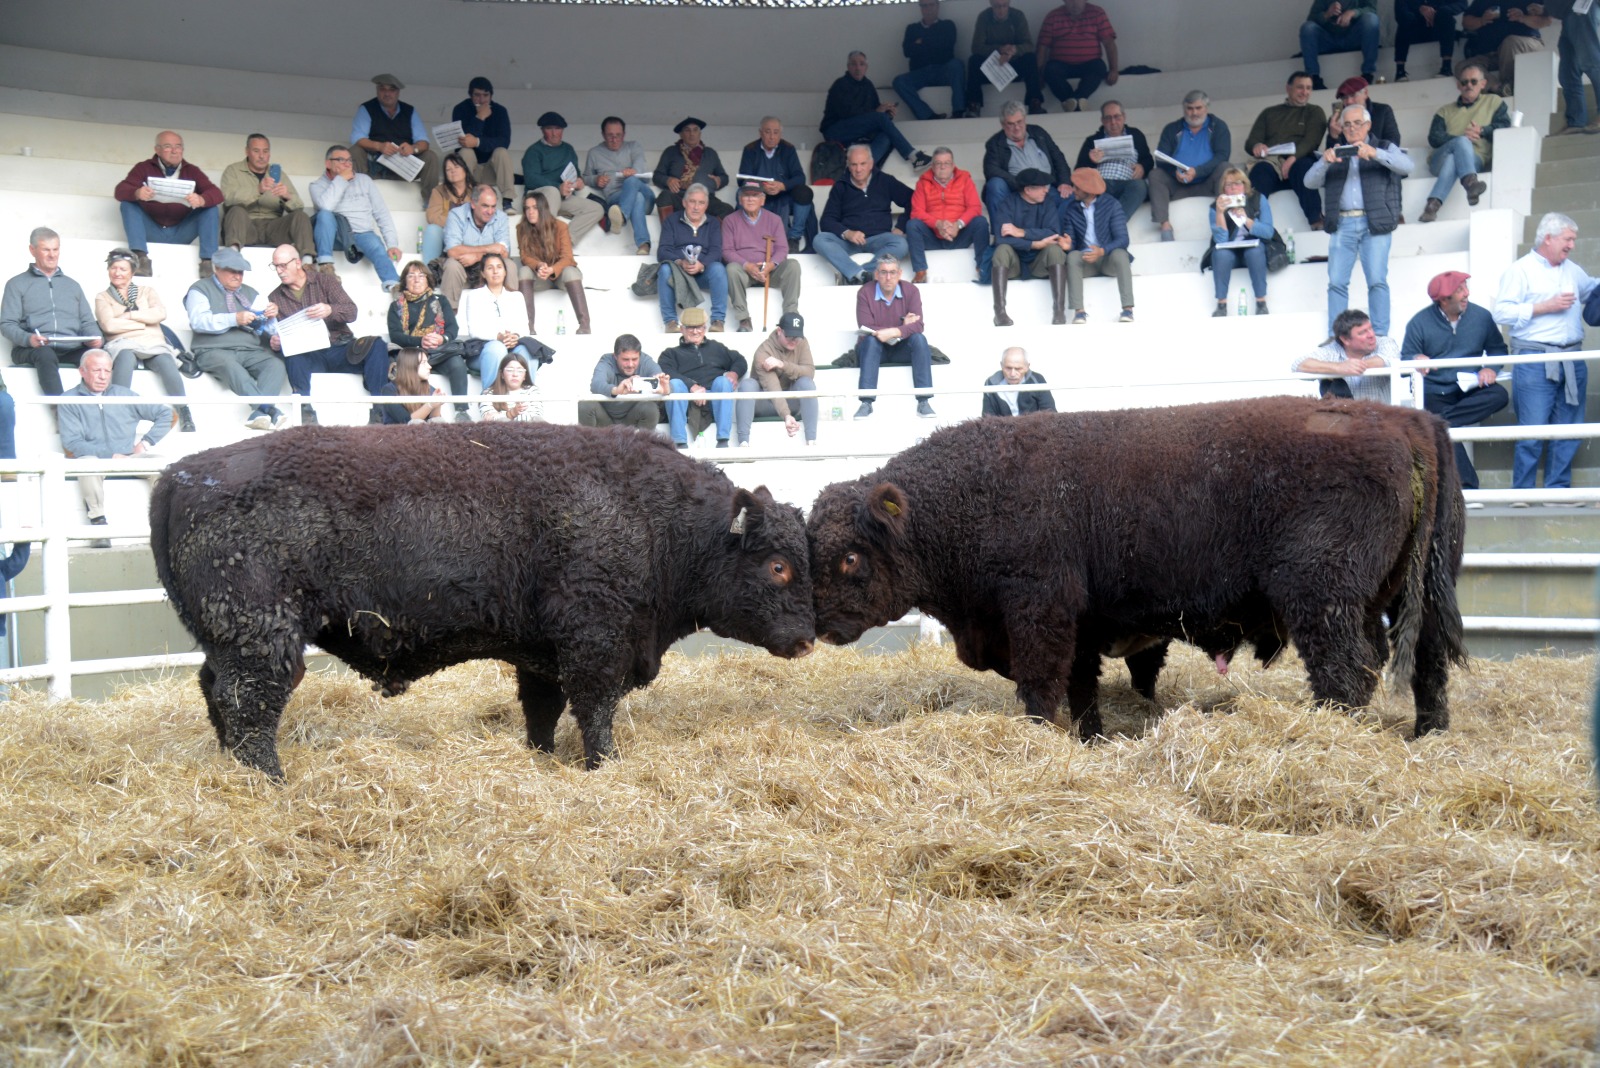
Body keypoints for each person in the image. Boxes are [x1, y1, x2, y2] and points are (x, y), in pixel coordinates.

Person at [1492, 211, 1598, 493]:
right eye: (1568, 239)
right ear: (1548, 238)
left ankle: (1557, 491)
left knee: (1570, 429)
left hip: (1572, 359)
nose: (1572, 245)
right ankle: (1523, 494)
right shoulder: (1520, 270)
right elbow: (1500, 311)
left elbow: (1592, 292)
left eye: (1573, 240)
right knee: (1532, 430)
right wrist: (1544, 306)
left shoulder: (1573, 270)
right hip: (1535, 360)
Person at [1305, 105, 1414, 337]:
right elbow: (1309, 182)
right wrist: (1325, 161)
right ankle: (1336, 337)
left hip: (1374, 222)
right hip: (1342, 223)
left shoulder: (1383, 146)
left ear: (1368, 125)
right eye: (1347, 124)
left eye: (1357, 123)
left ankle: (1381, 336)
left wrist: (1375, 153)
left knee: (1376, 281)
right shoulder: (1334, 151)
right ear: (1341, 128)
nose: (1352, 128)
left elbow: (1407, 166)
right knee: (1336, 283)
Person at [1399, 270, 1510, 489]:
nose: (1466, 293)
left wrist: (1490, 368)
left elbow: (1498, 349)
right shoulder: (1419, 322)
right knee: (1444, 424)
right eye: (1460, 290)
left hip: (1471, 387)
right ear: (1442, 300)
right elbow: (1405, 361)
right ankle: (1467, 486)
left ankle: (1438, 423)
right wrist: (1416, 358)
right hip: (1435, 390)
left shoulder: (1481, 316)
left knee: (1499, 395)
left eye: (1465, 288)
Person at [58, 349, 172, 548]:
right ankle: (98, 524)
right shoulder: (69, 399)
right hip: (95, 458)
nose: (103, 376)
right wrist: (110, 455)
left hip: (129, 456)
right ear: (82, 371)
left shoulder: (124, 395)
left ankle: (164, 523)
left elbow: (166, 414)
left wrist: (145, 443)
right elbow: (72, 443)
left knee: (163, 463)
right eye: (96, 370)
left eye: (107, 371)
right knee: (86, 464)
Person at [266, 245, 389, 424]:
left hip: (340, 347)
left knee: (377, 345)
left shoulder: (325, 281)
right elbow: (280, 333)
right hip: (310, 354)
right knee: (292, 353)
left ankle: (380, 411)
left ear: (298, 263)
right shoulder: (275, 297)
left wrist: (330, 309)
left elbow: (351, 312)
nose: (279, 271)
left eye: (283, 265)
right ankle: (306, 412)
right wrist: (277, 342)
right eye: (275, 266)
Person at [183, 247, 286, 430]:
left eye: (240, 272)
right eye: (232, 271)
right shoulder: (200, 289)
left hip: (249, 350)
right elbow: (198, 322)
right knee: (231, 367)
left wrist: (272, 316)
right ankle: (268, 410)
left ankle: (260, 414)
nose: (237, 276)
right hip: (212, 350)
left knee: (275, 364)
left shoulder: (251, 293)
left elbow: (269, 329)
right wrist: (234, 319)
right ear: (217, 269)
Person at [93, 247, 194, 432]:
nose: (117, 273)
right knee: (125, 357)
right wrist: (143, 322)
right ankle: (116, 413)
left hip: (152, 342)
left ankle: (184, 411)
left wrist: (130, 316)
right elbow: (109, 325)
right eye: (114, 268)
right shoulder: (103, 297)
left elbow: (160, 313)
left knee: (166, 361)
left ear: (132, 272)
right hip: (122, 342)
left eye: (123, 269)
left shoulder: (146, 291)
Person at [1, 227, 102, 397]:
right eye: (46, 249)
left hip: (70, 348)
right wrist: (28, 339)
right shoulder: (16, 284)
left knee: (99, 356)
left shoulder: (72, 286)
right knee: (45, 354)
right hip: (32, 348)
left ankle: (97, 408)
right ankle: (59, 410)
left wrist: (95, 338)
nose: (52, 255)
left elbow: (88, 322)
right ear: (32, 250)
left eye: (55, 249)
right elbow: (6, 324)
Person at [112, 130, 222, 279]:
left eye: (178, 146)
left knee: (210, 209)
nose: (175, 151)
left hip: (181, 231)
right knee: (128, 204)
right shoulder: (144, 167)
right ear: (157, 150)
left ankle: (208, 263)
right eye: (168, 146)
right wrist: (137, 193)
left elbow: (217, 193)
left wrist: (201, 199)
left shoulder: (192, 171)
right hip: (152, 229)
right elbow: (120, 191)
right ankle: (140, 258)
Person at [1420, 63, 1509, 222]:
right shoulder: (1444, 110)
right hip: (1438, 160)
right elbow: (1434, 138)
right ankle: (1470, 184)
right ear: (1458, 86)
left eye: (1473, 81)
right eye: (1464, 82)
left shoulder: (1494, 101)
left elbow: (1504, 126)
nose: (1468, 85)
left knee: (1453, 159)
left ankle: (1432, 206)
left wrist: (1482, 131)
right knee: (1460, 143)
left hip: (1475, 158)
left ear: (1483, 84)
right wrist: (1461, 139)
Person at [309, 144, 402, 293]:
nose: (347, 164)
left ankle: (393, 285)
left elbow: (381, 213)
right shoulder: (316, 185)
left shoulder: (365, 180)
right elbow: (325, 206)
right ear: (328, 163)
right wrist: (341, 180)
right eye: (341, 160)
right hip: (336, 237)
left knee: (377, 246)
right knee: (324, 215)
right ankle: (326, 265)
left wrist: (392, 244)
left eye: (349, 160)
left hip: (362, 234)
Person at [820, 52, 934, 170]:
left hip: (858, 132)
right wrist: (877, 113)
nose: (858, 68)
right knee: (880, 119)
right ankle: (913, 156)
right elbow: (847, 112)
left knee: (886, 135)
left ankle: (867, 168)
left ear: (866, 67)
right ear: (848, 67)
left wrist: (887, 113)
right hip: (836, 131)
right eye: (854, 64)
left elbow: (874, 115)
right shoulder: (840, 85)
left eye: (861, 64)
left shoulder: (868, 85)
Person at [854, 256, 935, 420]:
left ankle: (923, 401)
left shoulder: (911, 291)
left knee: (919, 339)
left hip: (901, 347)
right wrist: (903, 327)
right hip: (874, 349)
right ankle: (866, 403)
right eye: (883, 272)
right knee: (870, 340)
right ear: (876, 274)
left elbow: (919, 326)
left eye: (892, 272)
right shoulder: (865, 292)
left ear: (899, 274)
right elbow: (866, 326)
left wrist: (893, 332)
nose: (888, 277)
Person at [387, 259, 470, 421]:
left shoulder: (441, 301)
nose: (416, 279)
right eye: (411, 276)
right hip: (412, 356)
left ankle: (462, 410)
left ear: (428, 280)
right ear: (405, 281)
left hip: (438, 352)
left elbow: (452, 329)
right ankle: (408, 415)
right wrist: (420, 341)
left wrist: (441, 338)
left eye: (421, 275)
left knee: (457, 363)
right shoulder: (396, 306)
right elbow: (395, 335)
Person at [1246, 72, 1328, 230]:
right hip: (1272, 162)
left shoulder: (1314, 111)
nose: (1305, 92)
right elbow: (1251, 141)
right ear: (1288, 88)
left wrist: (1293, 158)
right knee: (1260, 171)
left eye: (1309, 88)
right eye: (1300, 87)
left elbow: (1312, 141)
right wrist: (1256, 146)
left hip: (1300, 159)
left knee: (1303, 167)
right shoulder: (1269, 113)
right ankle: (1251, 223)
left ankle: (1316, 220)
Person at [990, 168, 1071, 326]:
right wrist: (1034, 243)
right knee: (1001, 251)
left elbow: (1053, 233)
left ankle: (1059, 311)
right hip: (1013, 264)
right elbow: (1001, 239)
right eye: (1041, 187)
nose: (1046, 190)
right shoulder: (1008, 203)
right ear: (1028, 190)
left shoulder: (1048, 203)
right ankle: (1000, 312)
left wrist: (1022, 232)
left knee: (1055, 250)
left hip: (1039, 263)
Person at [659, 308, 746, 448]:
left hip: (714, 400)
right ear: (682, 329)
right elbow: (665, 370)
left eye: (698, 327)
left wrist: (734, 373)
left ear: (704, 328)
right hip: (686, 401)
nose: (695, 332)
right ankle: (680, 443)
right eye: (690, 328)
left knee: (723, 382)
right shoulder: (670, 354)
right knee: (674, 383)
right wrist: (692, 387)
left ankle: (723, 441)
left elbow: (740, 361)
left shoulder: (717, 348)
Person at [1151, 91, 1232, 241]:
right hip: (1178, 184)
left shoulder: (1218, 126)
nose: (1194, 113)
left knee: (1226, 168)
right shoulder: (1172, 129)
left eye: (1198, 108)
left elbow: (1222, 156)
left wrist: (1198, 171)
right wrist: (1175, 171)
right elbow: (1161, 159)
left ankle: (1226, 221)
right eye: (1189, 108)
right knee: (1155, 174)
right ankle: (1165, 226)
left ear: (1206, 108)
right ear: (1184, 109)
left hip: (1208, 183)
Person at [220, 134, 314, 262]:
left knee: (301, 216)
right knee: (236, 211)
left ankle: (307, 262)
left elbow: (299, 207)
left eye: (265, 151)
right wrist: (257, 190)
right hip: (246, 227)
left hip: (274, 228)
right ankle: (232, 256)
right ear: (247, 151)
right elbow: (228, 199)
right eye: (256, 151)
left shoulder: (279, 174)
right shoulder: (233, 171)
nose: (261, 156)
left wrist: (287, 197)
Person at [349, 74, 440, 208]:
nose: (387, 93)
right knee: (354, 151)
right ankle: (357, 199)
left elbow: (424, 142)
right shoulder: (367, 108)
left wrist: (413, 148)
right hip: (375, 165)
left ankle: (431, 204)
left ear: (398, 92)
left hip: (404, 166)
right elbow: (357, 138)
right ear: (377, 91)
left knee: (430, 156)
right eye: (382, 89)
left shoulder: (410, 111)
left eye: (391, 90)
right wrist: (379, 146)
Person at [723, 184, 801, 333]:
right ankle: (744, 319)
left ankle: (790, 315)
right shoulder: (730, 220)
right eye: (746, 195)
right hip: (744, 272)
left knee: (793, 265)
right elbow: (727, 251)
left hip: (770, 272)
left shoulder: (774, 219)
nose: (751, 199)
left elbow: (782, 249)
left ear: (763, 200)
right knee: (731, 269)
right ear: (740, 199)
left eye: (755, 195)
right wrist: (747, 266)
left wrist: (771, 265)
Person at [907, 148, 991, 285]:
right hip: (933, 237)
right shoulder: (923, 183)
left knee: (980, 222)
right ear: (932, 166)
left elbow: (975, 207)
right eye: (938, 163)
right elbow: (917, 212)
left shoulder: (964, 179)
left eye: (946, 163)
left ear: (953, 165)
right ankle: (920, 272)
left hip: (960, 235)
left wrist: (958, 225)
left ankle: (982, 267)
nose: (942, 167)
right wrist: (938, 224)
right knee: (912, 225)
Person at [1062, 167, 1135, 324]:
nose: (1073, 190)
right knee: (1073, 256)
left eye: (1077, 187)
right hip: (1086, 261)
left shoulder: (1112, 205)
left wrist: (1102, 251)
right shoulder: (1072, 208)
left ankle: (1128, 309)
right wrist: (1068, 245)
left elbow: (1123, 239)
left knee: (1121, 254)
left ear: (1089, 190)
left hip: (1108, 259)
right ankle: (1079, 312)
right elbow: (1072, 242)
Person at [736, 312, 818, 447]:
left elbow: (809, 371)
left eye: (797, 337)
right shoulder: (763, 352)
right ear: (779, 331)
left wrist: (782, 365)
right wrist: (786, 415)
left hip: (791, 401)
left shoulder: (802, 343)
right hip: (764, 403)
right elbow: (772, 386)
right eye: (789, 336)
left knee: (806, 383)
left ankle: (811, 441)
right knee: (747, 385)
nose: (793, 341)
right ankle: (743, 443)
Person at [521, 112, 604, 246]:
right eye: (549, 129)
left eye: (558, 129)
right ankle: (545, 243)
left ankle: (564, 244)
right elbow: (531, 179)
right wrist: (558, 187)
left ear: (562, 130)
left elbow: (575, 171)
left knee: (596, 209)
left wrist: (578, 181)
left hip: (561, 198)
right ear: (542, 130)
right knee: (552, 191)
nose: (554, 133)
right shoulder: (534, 151)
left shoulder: (568, 149)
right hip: (537, 198)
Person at [981, 102, 1075, 220]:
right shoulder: (995, 143)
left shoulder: (1038, 132)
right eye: (1011, 124)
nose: (1017, 127)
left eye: (1019, 122)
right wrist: (1023, 186)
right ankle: (1001, 235)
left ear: (1025, 119)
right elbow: (991, 170)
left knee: (1070, 198)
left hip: (1046, 189)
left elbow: (1058, 158)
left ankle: (1056, 235)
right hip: (1018, 193)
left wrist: (1064, 181)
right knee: (995, 184)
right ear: (1003, 125)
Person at [1203, 167, 1276, 317]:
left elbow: (1268, 232)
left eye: (1237, 183)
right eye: (1228, 185)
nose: (1234, 188)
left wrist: (1246, 220)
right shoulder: (1215, 206)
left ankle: (1261, 302)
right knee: (1221, 254)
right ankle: (1221, 305)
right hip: (1231, 253)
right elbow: (1221, 240)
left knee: (1255, 252)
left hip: (1254, 250)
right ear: (1223, 189)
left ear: (1245, 185)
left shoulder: (1257, 199)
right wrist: (1219, 213)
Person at [516, 190, 591, 335]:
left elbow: (568, 257)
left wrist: (552, 269)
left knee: (570, 271)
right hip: (540, 277)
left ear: (542, 209)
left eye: (535, 208)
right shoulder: (521, 229)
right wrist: (538, 265)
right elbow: (524, 256)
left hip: (561, 277)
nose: (530, 212)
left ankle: (584, 325)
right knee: (524, 270)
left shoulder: (560, 226)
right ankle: (529, 327)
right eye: (527, 208)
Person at [656, 184, 729, 331]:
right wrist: (680, 262)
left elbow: (716, 251)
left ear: (706, 205)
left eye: (701, 203)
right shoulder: (671, 221)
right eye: (692, 201)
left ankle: (718, 321)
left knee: (719, 268)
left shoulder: (713, 223)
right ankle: (670, 322)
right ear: (684, 202)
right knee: (664, 269)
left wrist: (702, 264)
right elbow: (663, 251)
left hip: (703, 272)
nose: (696, 207)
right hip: (679, 272)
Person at [457, 251, 535, 387]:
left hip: (512, 347)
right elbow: (475, 331)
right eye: (490, 268)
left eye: (499, 267)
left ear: (505, 272)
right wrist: (498, 337)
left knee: (528, 353)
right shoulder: (475, 296)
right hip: (483, 351)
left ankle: (526, 401)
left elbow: (524, 328)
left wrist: (515, 336)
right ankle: (491, 403)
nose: (495, 271)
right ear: (482, 273)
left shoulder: (516, 296)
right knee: (497, 348)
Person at [738, 118, 815, 251]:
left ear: (780, 134)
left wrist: (782, 186)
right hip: (759, 195)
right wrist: (762, 187)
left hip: (784, 194)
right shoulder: (750, 149)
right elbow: (742, 179)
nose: (772, 137)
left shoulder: (788, 149)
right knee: (740, 194)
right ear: (760, 133)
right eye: (768, 132)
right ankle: (748, 238)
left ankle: (793, 238)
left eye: (776, 132)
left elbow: (800, 177)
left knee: (804, 193)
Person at [1291, 308, 1398, 402]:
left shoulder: (1385, 342)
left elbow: (1390, 359)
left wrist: (1354, 366)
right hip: (1344, 423)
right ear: (1345, 339)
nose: (1371, 335)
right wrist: (1338, 367)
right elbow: (1298, 365)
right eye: (1362, 332)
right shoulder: (1331, 351)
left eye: (1370, 328)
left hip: (1382, 420)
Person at [585, 117, 656, 255]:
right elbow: (586, 178)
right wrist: (596, 179)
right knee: (637, 198)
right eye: (610, 135)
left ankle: (622, 216)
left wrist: (633, 172)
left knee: (632, 182)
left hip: (645, 196)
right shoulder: (594, 153)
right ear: (603, 134)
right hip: (614, 198)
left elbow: (640, 169)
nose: (614, 139)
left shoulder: (634, 146)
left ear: (624, 134)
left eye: (618, 135)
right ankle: (643, 245)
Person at [1074, 100, 1152, 226]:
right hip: (1102, 184)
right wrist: (1090, 161)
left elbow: (1148, 160)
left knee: (1140, 186)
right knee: (1091, 189)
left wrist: (1142, 167)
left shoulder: (1136, 135)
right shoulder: (1092, 140)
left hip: (1127, 183)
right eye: (1108, 118)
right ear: (1102, 121)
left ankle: (1114, 223)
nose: (1113, 122)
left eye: (1117, 117)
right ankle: (1113, 224)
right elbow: (1078, 172)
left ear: (1124, 117)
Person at [1035, 0, 1120, 113]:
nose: (1075, 4)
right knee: (1049, 69)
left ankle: (1074, 101)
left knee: (1099, 66)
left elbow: (1109, 43)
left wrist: (1114, 69)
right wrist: (1039, 75)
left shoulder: (1097, 13)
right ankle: (1076, 102)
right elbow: (1042, 47)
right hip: (1060, 65)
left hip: (1089, 64)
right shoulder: (1053, 16)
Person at [967, 0, 1046, 116]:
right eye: (997, 6)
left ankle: (1034, 102)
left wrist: (1013, 51)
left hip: (1013, 64)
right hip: (993, 66)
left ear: (1009, 4)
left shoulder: (1018, 16)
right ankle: (973, 105)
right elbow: (976, 47)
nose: (1001, 10)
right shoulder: (984, 17)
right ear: (991, 4)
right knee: (974, 60)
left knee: (1030, 58)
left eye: (1004, 6)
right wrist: (1000, 50)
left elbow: (1029, 45)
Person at [439, 183, 512, 310]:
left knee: (509, 265)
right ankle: (448, 317)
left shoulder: (501, 217)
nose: (490, 211)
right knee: (451, 265)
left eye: (493, 207)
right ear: (473, 204)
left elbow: (504, 252)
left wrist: (477, 256)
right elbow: (453, 251)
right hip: (462, 267)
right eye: (485, 206)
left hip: (486, 267)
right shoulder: (456, 215)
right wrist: (489, 249)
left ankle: (508, 315)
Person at [893, 0, 966, 121]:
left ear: (938, 6)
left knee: (957, 64)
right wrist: (934, 41)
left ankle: (958, 111)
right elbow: (907, 52)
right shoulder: (912, 28)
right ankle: (927, 115)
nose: (928, 9)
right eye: (924, 6)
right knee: (899, 81)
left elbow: (947, 45)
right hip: (920, 73)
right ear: (920, 8)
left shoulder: (948, 25)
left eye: (931, 5)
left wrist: (920, 43)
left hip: (942, 70)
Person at [450, 77, 515, 210]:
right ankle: (463, 199)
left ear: (491, 95)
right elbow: (462, 141)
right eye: (477, 95)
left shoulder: (500, 111)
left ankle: (507, 201)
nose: (482, 99)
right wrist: (480, 118)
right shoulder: (461, 109)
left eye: (486, 95)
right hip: (469, 170)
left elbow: (504, 141)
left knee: (501, 151)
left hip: (491, 169)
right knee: (466, 151)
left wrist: (478, 142)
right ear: (470, 95)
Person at [579, 334, 667, 430]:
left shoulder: (646, 361)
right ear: (615, 356)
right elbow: (596, 385)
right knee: (585, 405)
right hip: (605, 419)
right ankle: (591, 444)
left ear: (640, 356)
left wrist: (665, 389)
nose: (630, 364)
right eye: (625, 359)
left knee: (650, 408)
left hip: (632, 418)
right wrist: (617, 390)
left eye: (634, 359)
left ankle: (642, 444)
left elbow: (663, 381)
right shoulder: (606, 361)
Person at [1461, 1, 1550, 92]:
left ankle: (1509, 85)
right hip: (1491, 55)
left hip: (1525, 46)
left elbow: (1547, 20)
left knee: (1510, 42)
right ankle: (1498, 88)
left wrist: (1523, 18)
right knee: (1463, 67)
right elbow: (1466, 22)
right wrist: (1481, 20)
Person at [653, 118, 733, 220]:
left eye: (695, 130)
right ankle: (670, 234)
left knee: (727, 209)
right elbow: (657, 176)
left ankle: (711, 236)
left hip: (704, 198)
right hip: (680, 196)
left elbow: (724, 177)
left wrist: (719, 180)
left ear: (700, 134)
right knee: (664, 197)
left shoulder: (710, 153)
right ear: (681, 134)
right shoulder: (671, 152)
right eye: (687, 130)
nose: (692, 134)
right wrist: (668, 180)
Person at [1299, 0, 1382, 89]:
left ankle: (1367, 74)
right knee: (1307, 28)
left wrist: (1353, 12)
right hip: (1329, 40)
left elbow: (1372, 9)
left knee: (1371, 19)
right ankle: (1313, 77)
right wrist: (1327, 14)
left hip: (1354, 38)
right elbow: (1311, 19)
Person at [1552, 0, 1600, 134]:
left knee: (1591, 63)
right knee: (1567, 73)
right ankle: (1576, 122)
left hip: (1582, 8)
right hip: (1569, 14)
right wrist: (1545, 10)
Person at [1394, 0, 1469, 81]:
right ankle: (1400, 71)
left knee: (1447, 18)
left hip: (1439, 28)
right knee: (1404, 21)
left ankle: (1446, 67)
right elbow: (1399, 11)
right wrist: (1420, 9)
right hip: (1415, 30)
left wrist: (1436, 11)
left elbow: (1463, 3)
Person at [422, 152, 474, 265]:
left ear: (465, 169)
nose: (452, 171)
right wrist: (456, 224)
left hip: (472, 234)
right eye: (448, 169)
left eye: (456, 166)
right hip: (447, 233)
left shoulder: (476, 191)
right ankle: (429, 273)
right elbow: (432, 216)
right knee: (432, 229)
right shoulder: (439, 191)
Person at [1325, 77, 1402, 150]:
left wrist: (1372, 153)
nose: (1349, 101)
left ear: (1365, 93)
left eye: (1353, 95)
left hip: (1378, 160)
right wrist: (1333, 136)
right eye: (1344, 98)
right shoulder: (1336, 120)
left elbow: (1393, 143)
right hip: (1347, 162)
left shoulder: (1382, 111)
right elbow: (1330, 155)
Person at [981, 346, 1057, 417]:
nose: (1012, 374)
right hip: (1002, 429)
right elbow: (987, 417)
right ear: (1001, 365)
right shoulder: (990, 383)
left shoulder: (1037, 380)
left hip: (1032, 429)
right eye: (1008, 368)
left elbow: (1050, 414)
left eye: (1018, 369)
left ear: (1027, 367)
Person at [378, 349, 447, 425]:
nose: (429, 366)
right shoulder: (389, 390)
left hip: (424, 434)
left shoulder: (430, 389)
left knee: (438, 421)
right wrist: (430, 405)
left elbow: (434, 421)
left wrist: (437, 404)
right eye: (424, 363)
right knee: (416, 423)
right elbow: (406, 421)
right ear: (410, 365)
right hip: (398, 435)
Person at [477, 352, 544, 423]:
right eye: (510, 370)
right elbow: (489, 417)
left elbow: (536, 416)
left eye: (520, 371)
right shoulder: (488, 393)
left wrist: (504, 415)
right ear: (502, 374)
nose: (515, 374)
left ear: (525, 375)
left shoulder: (533, 391)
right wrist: (511, 413)